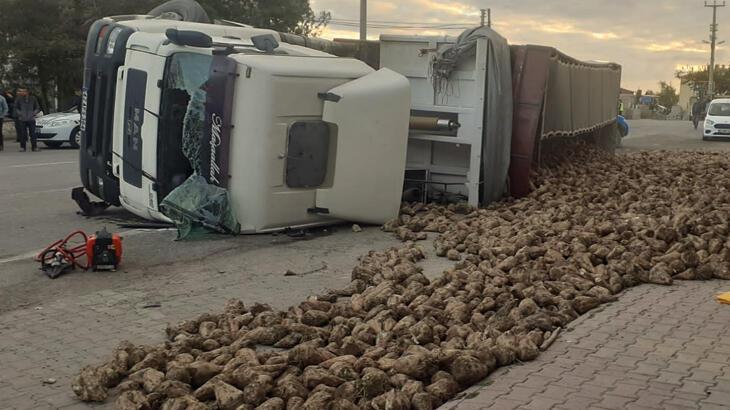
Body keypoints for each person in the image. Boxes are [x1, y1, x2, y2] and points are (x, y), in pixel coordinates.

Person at [14, 87, 41, 152]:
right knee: (23, 134)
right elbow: (16, 108)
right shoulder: (18, 99)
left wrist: (33, 113)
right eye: (21, 91)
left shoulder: (33, 98)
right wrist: (20, 114)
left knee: (33, 134)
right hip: (22, 119)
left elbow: (37, 107)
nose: (22, 93)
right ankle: (23, 147)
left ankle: (34, 147)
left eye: (23, 91)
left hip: (31, 118)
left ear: (27, 92)